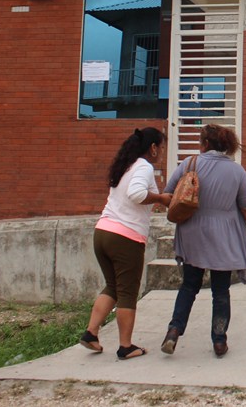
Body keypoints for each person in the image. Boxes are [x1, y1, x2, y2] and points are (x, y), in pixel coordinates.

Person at [160, 124, 246, 359]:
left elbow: (168, 195)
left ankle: (174, 331)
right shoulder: (236, 172)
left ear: (205, 144)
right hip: (224, 236)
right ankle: (219, 340)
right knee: (220, 290)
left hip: (192, 232)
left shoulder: (189, 164)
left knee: (189, 285)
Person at [80, 127, 171, 359]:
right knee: (128, 292)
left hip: (103, 232)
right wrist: (161, 198)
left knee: (112, 286)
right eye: (161, 148)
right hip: (125, 237)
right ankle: (126, 346)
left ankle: (91, 333)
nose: (162, 152)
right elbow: (137, 194)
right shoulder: (144, 166)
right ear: (152, 148)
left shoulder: (125, 166)